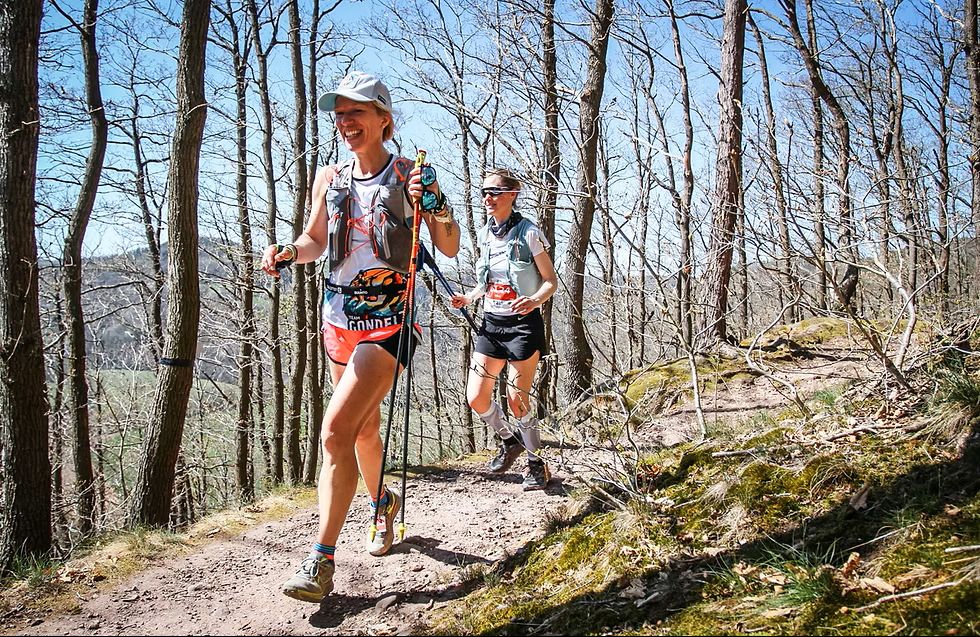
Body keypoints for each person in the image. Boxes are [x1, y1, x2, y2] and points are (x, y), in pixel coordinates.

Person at [261, 71, 460, 603]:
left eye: (357, 112)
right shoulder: (330, 178)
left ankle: (320, 562)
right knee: (365, 431)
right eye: (340, 113)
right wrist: (286, 251)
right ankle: (382, 504)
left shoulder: (411, 174)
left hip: (391, 322)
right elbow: (314, 240)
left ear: (383, 119)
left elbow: (451, 245)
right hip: (337, 320)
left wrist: (435, 200)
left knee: (334, 432)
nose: (345, 122)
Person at [450, 168, 558, 491]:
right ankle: (509, 441)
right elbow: (488, 282)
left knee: (516, 399)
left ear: (513, 194)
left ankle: (537, 464)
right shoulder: (485, 234)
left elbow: (551, 281)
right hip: (492, 325)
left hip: (524, 327)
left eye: (495, 192)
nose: (488, 198)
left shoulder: (528, 233)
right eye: (484, 192)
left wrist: (533, 300)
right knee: (476, 396)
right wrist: (468, 296)